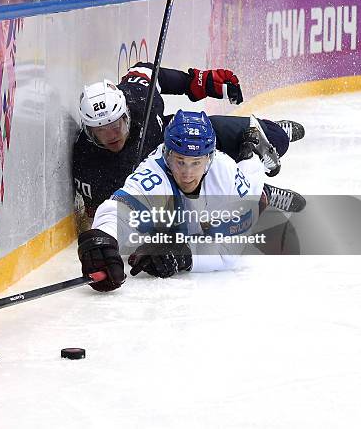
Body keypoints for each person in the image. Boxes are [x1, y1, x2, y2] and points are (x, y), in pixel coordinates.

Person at [73, 63, 305, 228]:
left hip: (181, 136)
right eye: (100, 132)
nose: (112, 136)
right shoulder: (90, 165)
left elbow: (148, 71)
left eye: (117, 125)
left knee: (272, 138)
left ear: (126, 114)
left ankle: (270, 135)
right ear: (88, 132)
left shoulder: (137, 96)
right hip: (173, 173)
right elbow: (106, 214)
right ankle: (261, 191)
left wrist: (199, 83)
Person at [77, 110, 271, 292]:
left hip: (242, 190)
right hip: (189, 211)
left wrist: (184, 255)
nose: (187, 174)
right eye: (180, 161)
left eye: (196, 163)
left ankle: (253, 151)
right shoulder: (153, 172)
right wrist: (103, 236)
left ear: (209, 159)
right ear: (166, 155)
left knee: (255, 188)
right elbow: (121, 207)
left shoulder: (226, 172)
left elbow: (229, 250)